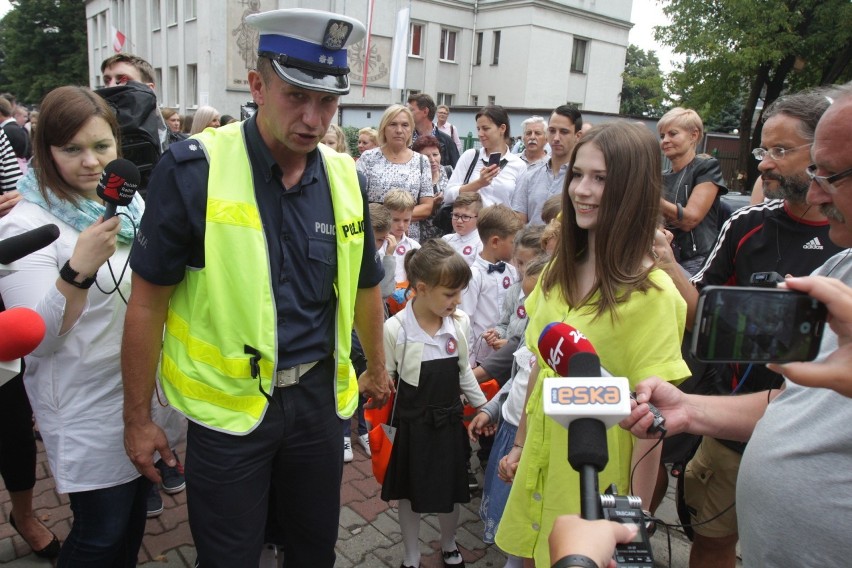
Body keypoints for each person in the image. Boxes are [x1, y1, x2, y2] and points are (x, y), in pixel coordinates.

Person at [120, 9, 392, 568]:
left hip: (318, 405)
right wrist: (138, 419)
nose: (313, 118)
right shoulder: (194, 169)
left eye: (328, 102)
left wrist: (379, 365)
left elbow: (365, 284)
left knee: (314, 548)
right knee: (228, 556)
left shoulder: (346, 178)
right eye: (296, 96)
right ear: (257, 85)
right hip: (231, 416)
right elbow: (146, 304)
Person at [623, 86, 852, 567]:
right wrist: (691, 410)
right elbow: (797, 404)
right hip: (731, 439)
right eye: (762, 150)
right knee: (708, 538)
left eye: (828, 175)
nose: (814, 191)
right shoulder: (829, 264)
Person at [494, 122, 691, 567]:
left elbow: (650, 424)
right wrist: (521, 445)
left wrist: (631, 530)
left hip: (594, 488)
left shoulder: (655, 297)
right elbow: (542, 371)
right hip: (539, 469)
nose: (581, 190)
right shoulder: (553, 274)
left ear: (633, 188)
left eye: (600, 178)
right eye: (577, 175)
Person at [0, 85, 147, 567]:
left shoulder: (132, 207)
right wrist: (76, 271)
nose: (91, 162)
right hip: (84, 405)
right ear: (46, 152)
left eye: (102, 147)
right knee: (100, 531)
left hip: (139, 396)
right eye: (72, 149)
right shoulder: (26, 224)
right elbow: (37, 339)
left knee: (131, 522)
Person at [380, 239, 488, 568]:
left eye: (460, 294)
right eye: (449, 294)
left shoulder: (459, 323)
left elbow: (464, 372)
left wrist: (484, 407)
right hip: (411, 425)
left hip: (448, 422)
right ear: (422, 288)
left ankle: (449, 541)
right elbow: (386, 381)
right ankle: (411, 554)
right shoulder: (396, 329)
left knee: (450, 491)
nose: (457, 302)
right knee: (410, 494)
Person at [468, 254, 548, 568]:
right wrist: (491, 410)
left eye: (534, 299)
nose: (526, 307)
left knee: (525, 513)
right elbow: (514, 383)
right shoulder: (529, 340)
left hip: (531, 443)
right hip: (510, 433)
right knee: (505, 504)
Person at [658, 107, 728, 275]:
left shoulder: (706, 167)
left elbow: (690, 220)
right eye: (662, 136)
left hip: (699, 260)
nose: (665, 140)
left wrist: (650, 198)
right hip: (667, 257)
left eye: (672, 134)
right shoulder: (661, 176)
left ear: (693, 135)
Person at [356, 104, 433, 240]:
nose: (399, 130)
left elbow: (427, 206)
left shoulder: (421, 161)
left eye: (405, 125)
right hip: (374, 235)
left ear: (411, 130)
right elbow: (356, 200)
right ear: (384, 128)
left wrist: (399, 220)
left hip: (407, 238)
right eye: (393, 124)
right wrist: (387, 221)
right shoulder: (368, 158)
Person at [459, 204, 523, 366]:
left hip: (507, 351)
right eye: (513, 242)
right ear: (495, 241)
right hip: (482, 357)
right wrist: (470, 362)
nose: (517, 247)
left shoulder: (512, 271)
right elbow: (466, 319)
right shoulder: (473, 276)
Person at [512, 105, 582, 225]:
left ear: (578, 136)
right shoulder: (530, 176)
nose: (556, 138)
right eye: (552, 130)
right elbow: (519, 222)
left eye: (564, 132)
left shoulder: (581, 180)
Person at [445, 105, 526, 208]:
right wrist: (479, 183)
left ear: (502, 128)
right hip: (468, 222)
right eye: (478, 129)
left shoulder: (518, 165)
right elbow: (448, 195)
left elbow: (518, 208)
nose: (480, 134)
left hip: (499, 223)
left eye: (485, 128)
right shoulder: (470, 156)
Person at [411, 133, 450, 240]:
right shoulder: (413, 178)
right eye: (427, 156)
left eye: (435, 154)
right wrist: (431, 204)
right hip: (420, 236)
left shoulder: (449, 172)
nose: (432, 160)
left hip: (445, 235)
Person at [407, 93, 460, 168]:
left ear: (425, 112)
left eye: (411, 110)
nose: (407, 113)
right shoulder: (405, 139)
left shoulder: (447, 142)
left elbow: (456, 171)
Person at [442, 192, 483, 266]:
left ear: (478, 218)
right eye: (456, 215)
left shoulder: (481, 244)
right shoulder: (446, 240)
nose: (459, 221)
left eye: (466, 217)